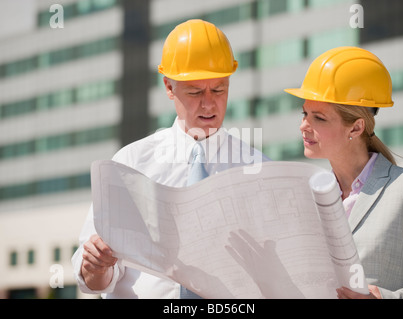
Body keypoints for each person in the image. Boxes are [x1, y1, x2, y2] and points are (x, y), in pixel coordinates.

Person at [71, 19, 269, 299]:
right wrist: (96, 267)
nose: (209, 103)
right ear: (169, 87)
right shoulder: (130, 164)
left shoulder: (259, 169)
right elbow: (92, 278)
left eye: (219, 89)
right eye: (195, 92)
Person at [284, 46, 403, 299]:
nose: (303, 126)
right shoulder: (305, 198)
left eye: (318, 117)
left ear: (355, 128)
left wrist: (382, 298)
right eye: (304, 113)